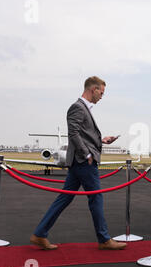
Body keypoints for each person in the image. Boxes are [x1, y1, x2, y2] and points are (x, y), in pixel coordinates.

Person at [30, 76, 127, 250]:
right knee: (96, 197)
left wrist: (102, 140)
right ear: (93, 89)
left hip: (78, 162)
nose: (102, 96)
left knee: (65, 198)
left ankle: (39, 234)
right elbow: (73, 133)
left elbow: (82, 134)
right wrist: (87, 154)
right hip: (83, 161)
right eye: (102, 92)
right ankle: (104, 239)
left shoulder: (84, 108)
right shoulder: (77, 107)